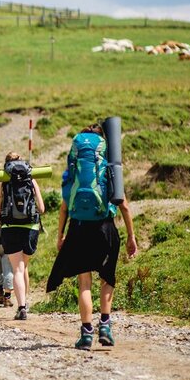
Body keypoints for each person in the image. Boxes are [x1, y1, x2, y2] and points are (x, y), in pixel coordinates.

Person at [46, 123, 138, 350]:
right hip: (105, 227)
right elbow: (124, 205)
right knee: (107, 279)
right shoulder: (109, 168)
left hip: (78, 228)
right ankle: (105, 326)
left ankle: (86, 334)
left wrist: (61, 235)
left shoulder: (73, 172)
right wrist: (131, 237)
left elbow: (64, 207)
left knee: (84, 282)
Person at [0, 152, 45, 321]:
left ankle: (21, 307)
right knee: (24, 268)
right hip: (31, 227)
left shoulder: (2, 180)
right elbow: (42, 208)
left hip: (10, 227)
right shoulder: (31, 177)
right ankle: (26, 302)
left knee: (17, 269)